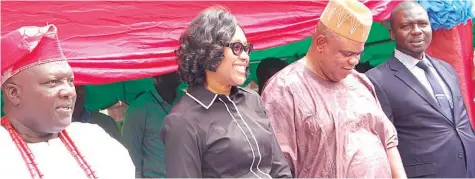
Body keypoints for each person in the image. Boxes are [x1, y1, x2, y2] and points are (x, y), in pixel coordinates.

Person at [261, 0, 407, 178]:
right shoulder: (284, 89)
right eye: (347, 53)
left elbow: (388, 141)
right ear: (321, 43)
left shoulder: (360, 81)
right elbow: (277, 167)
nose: (355, 61)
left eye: (358, 53)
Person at [160, 6, 292, 178]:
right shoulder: (183, 121)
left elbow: (279, 169)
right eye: (237, 47)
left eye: (247, 48)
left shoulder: (253, 101)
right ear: (208, 50)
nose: (245, 56)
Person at [0, 24, 134, 178]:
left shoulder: (94, 139)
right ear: (14, 93)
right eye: (53, 82)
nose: (70, 92)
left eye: (70, 81)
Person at [366, 1, 475, 178]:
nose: (417, 30)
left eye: (423, 24)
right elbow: (382, 142)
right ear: (392, 34)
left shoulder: (447, 69)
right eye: (406, 26)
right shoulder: (376, 80)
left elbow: (459, 121)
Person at [122, 71, 184, 178]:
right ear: (156, 74)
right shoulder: (139, 108)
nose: (177, 70)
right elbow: (131, 154)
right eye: (170, 67)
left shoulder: (188, 101)